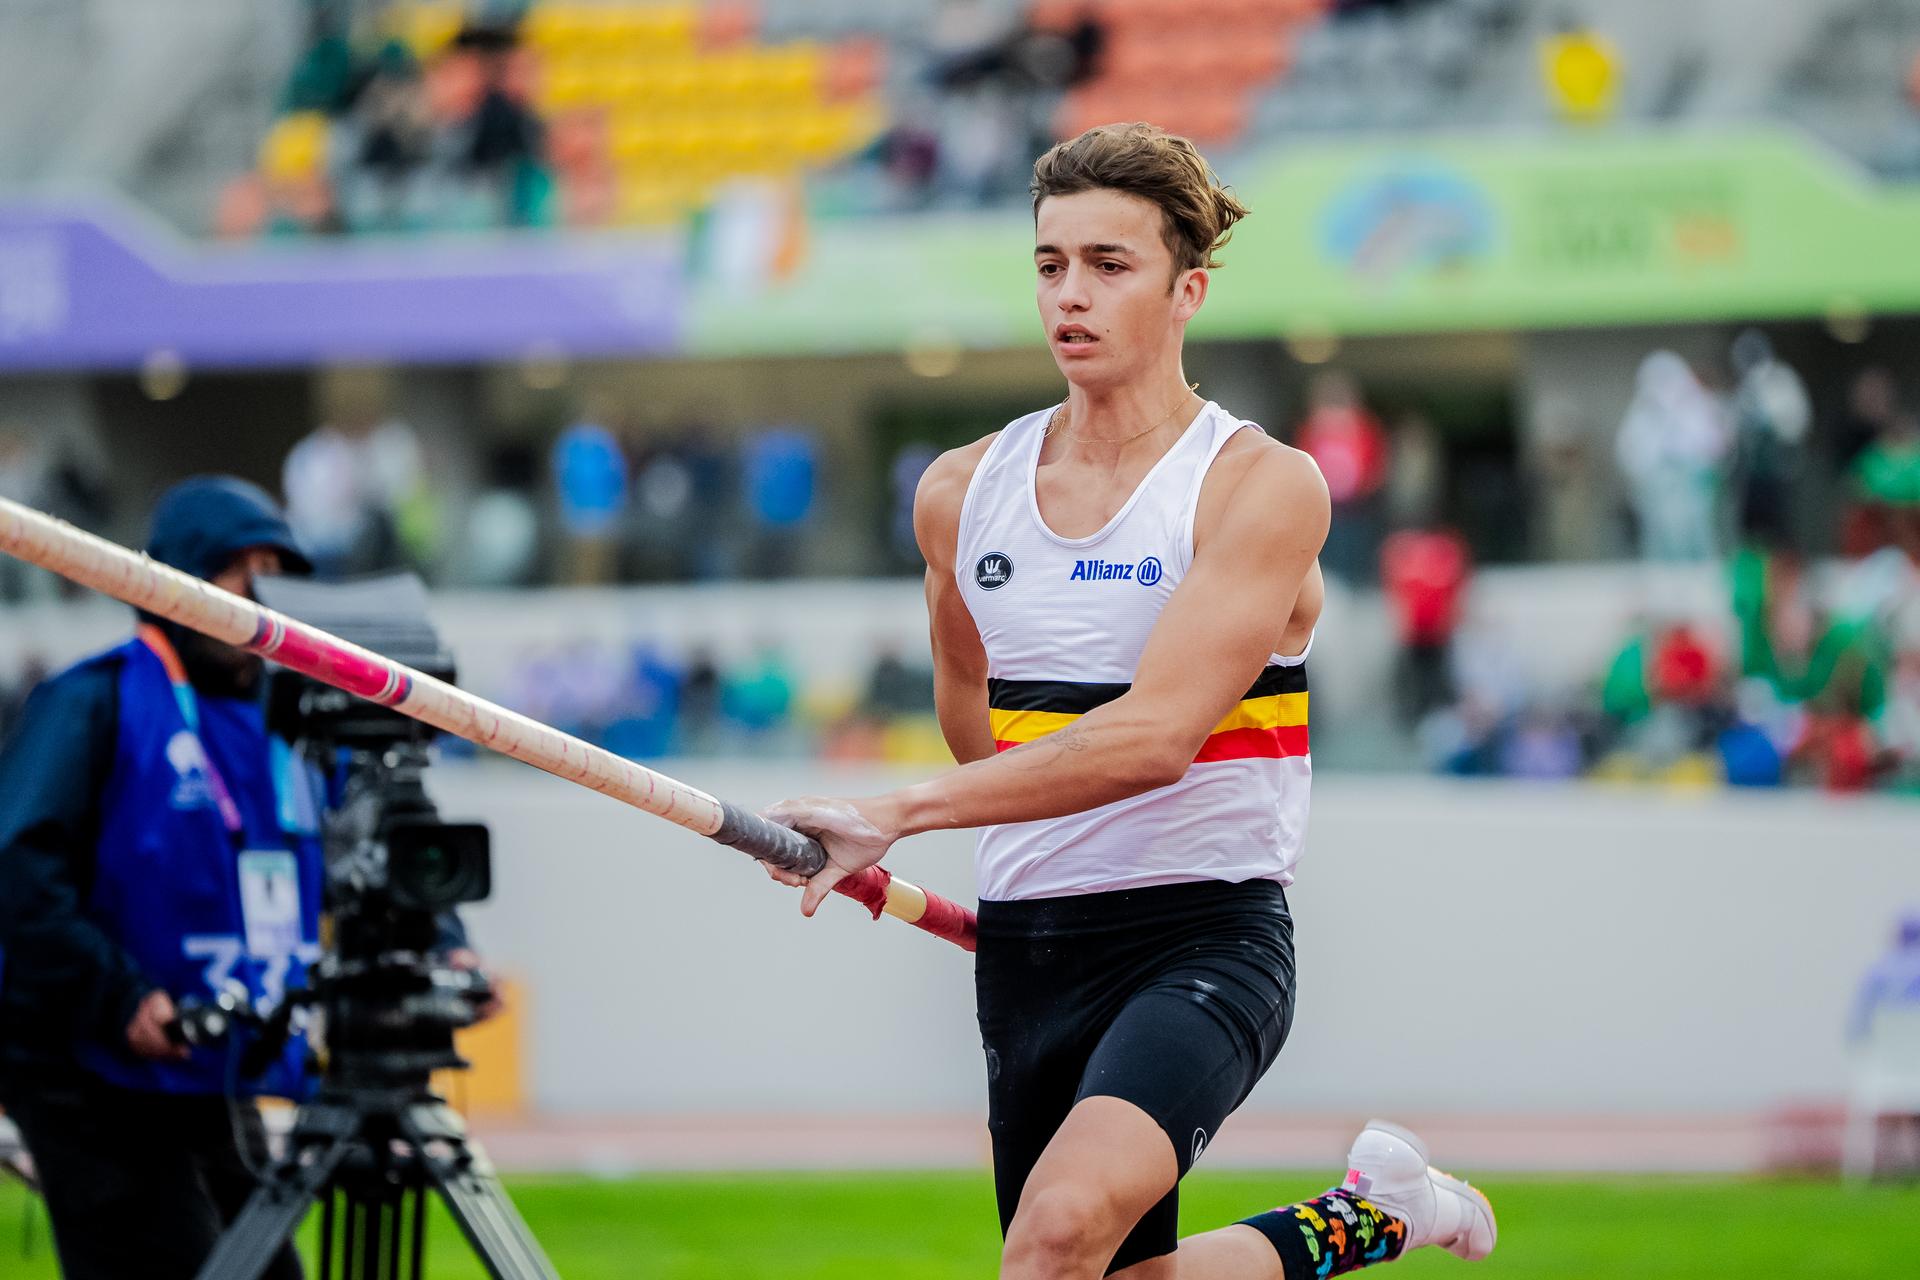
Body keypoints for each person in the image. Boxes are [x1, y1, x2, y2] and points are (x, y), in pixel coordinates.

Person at [763, 124, 1494, 1280]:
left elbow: (1157, 738)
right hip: (1029, 947)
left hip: (1202, 935)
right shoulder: (960, 493)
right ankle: (1373, 1216)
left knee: (1051, 1238)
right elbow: (975, 710)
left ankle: (1372, 1213)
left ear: (1187, 289)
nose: (1072, 293)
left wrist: (894, 812)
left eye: (1110, 264)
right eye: (1051, 264)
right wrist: (1029, 846)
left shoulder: (1258, 484)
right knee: (1096, 1272)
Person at [0, 476, 486, 1280]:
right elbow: (18, 866)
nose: (261, 595)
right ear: (174, 581)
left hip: (215, 1063)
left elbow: (374, 846)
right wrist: (116, 996)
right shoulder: (93, 701)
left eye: (276, 571)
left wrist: (446, 946)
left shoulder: (300, 722)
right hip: (91, 1065)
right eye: (239, 570)